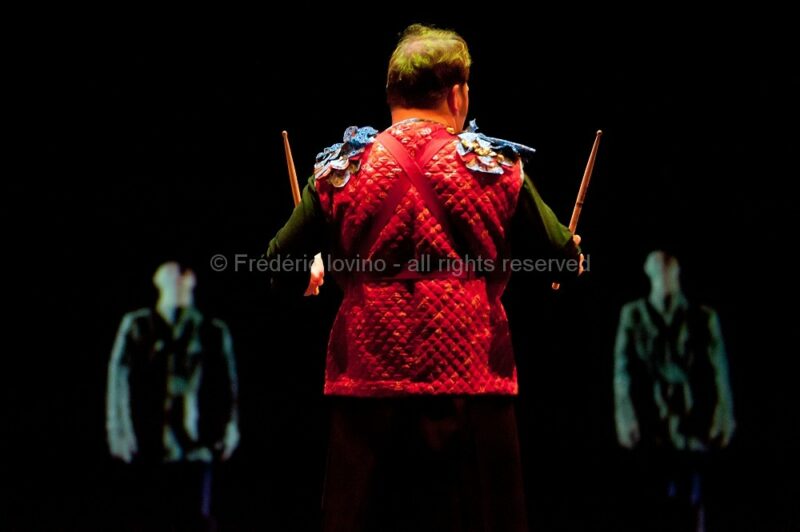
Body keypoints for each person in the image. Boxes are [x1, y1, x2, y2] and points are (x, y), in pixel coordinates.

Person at [265, 24, 582, 531]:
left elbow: (277, 263)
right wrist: (571, 253)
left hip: (368, 397)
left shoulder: (339, 169)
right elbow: (562, 257)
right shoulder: (496, 167)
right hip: (472, 392)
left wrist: (307, 272)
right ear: (457, 94)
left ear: (391, 95)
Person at [106, 261, 240, 531]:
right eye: (172, 279)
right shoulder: (138, 326)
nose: (178, 283)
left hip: (196, 444)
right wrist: (119, 432)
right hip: (147, 443)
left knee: (195, 518)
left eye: (182, 278)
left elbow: (226, 384)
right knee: (151, 516)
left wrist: (229, 428)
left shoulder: (211, 331)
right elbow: (118, 382)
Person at [613, 250, 735, 531]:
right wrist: (626, 418)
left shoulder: (702, 318)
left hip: (691, 422)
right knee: (655, 501)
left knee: (693, 500)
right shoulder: (634, 315)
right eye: (658, 272)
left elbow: (720, 371)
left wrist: (722, 416)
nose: (665, 278)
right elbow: (623, 371)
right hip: (651, 423)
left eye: (669, 271)